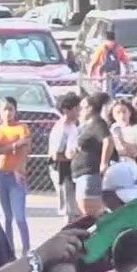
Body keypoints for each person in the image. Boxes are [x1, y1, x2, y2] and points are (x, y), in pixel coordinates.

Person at [0, 96, 33, 253]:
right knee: (5, 218)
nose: (8, 113)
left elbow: (25, 148)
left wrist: (20, 168)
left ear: (15, 111)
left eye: (11, 109)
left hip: (16, 176)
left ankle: (26, 249)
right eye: (5, 109)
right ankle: (8, 251)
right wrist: (15, 144)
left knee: (19, 216)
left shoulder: (22, 128)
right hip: (1, 175)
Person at [73, 91, 111, 217]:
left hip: (90, 172)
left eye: (82, 108)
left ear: (90, 109)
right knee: (84, 211)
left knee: (91, 212)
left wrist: (104, 163)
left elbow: (108, 140)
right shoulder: (86, 126)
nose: (80, 111)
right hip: (81, 173)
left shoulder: (98, 124)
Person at [48, 91, 83, 219]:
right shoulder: (61, 128)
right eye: (76, 108)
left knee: (75, 207)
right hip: (62, 170)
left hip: (72, 169)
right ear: (66, 110)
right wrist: (73, 155)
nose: (79, 111)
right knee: (69, 209)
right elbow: (55, 155)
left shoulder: (73, 126)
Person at [87, 28, 131, 96]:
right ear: (114, 37)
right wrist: (127, 72)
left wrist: (90, 73)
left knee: (104, 92)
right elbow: (125, 60)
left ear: (106, 37)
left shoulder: (101, 47)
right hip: (116, 73)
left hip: (104, 74)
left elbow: (94, 62)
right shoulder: (119, 48)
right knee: (114, 91)